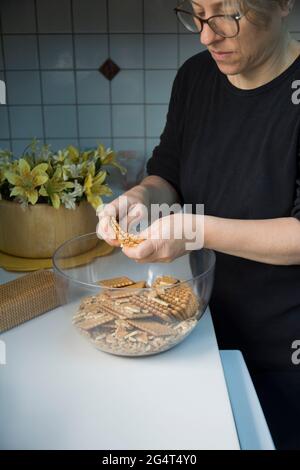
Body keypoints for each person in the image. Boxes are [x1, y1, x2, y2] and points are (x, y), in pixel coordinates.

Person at [97, 0, 300, 449]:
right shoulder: (196, 76)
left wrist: (193, 229)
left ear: (283, 4)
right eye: (197, 13)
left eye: (228, 14)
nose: (207, 35)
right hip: (205, 325)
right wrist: (138, 198)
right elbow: (167, 171)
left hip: (287, 352)